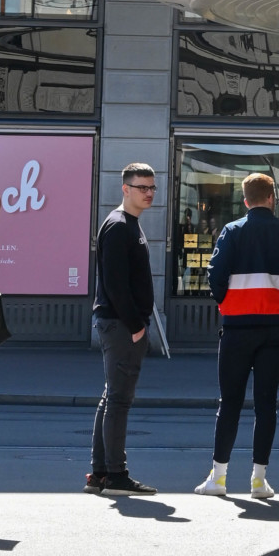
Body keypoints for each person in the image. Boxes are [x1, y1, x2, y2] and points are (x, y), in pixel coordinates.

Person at [195, 172, 279, 498]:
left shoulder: (232, 231)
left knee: (230, 403)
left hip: (236, 328)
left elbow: (215, 276)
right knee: (266, 404)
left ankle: (218, 478)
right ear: (272, 198)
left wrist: (226, 301)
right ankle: (259, 480)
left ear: (245, 200)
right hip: (275, 329)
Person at [87, 161, 159, 497]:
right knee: (119, 401)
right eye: (141, 187)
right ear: (125, 189)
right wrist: (136, 326)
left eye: (152, 187)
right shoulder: (118, 226)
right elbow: (116, 284)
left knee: (111, 398)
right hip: (120, 325)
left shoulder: (127, 223)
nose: (149, 193)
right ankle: (115, 475)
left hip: (119, 324)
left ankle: (100, 473)